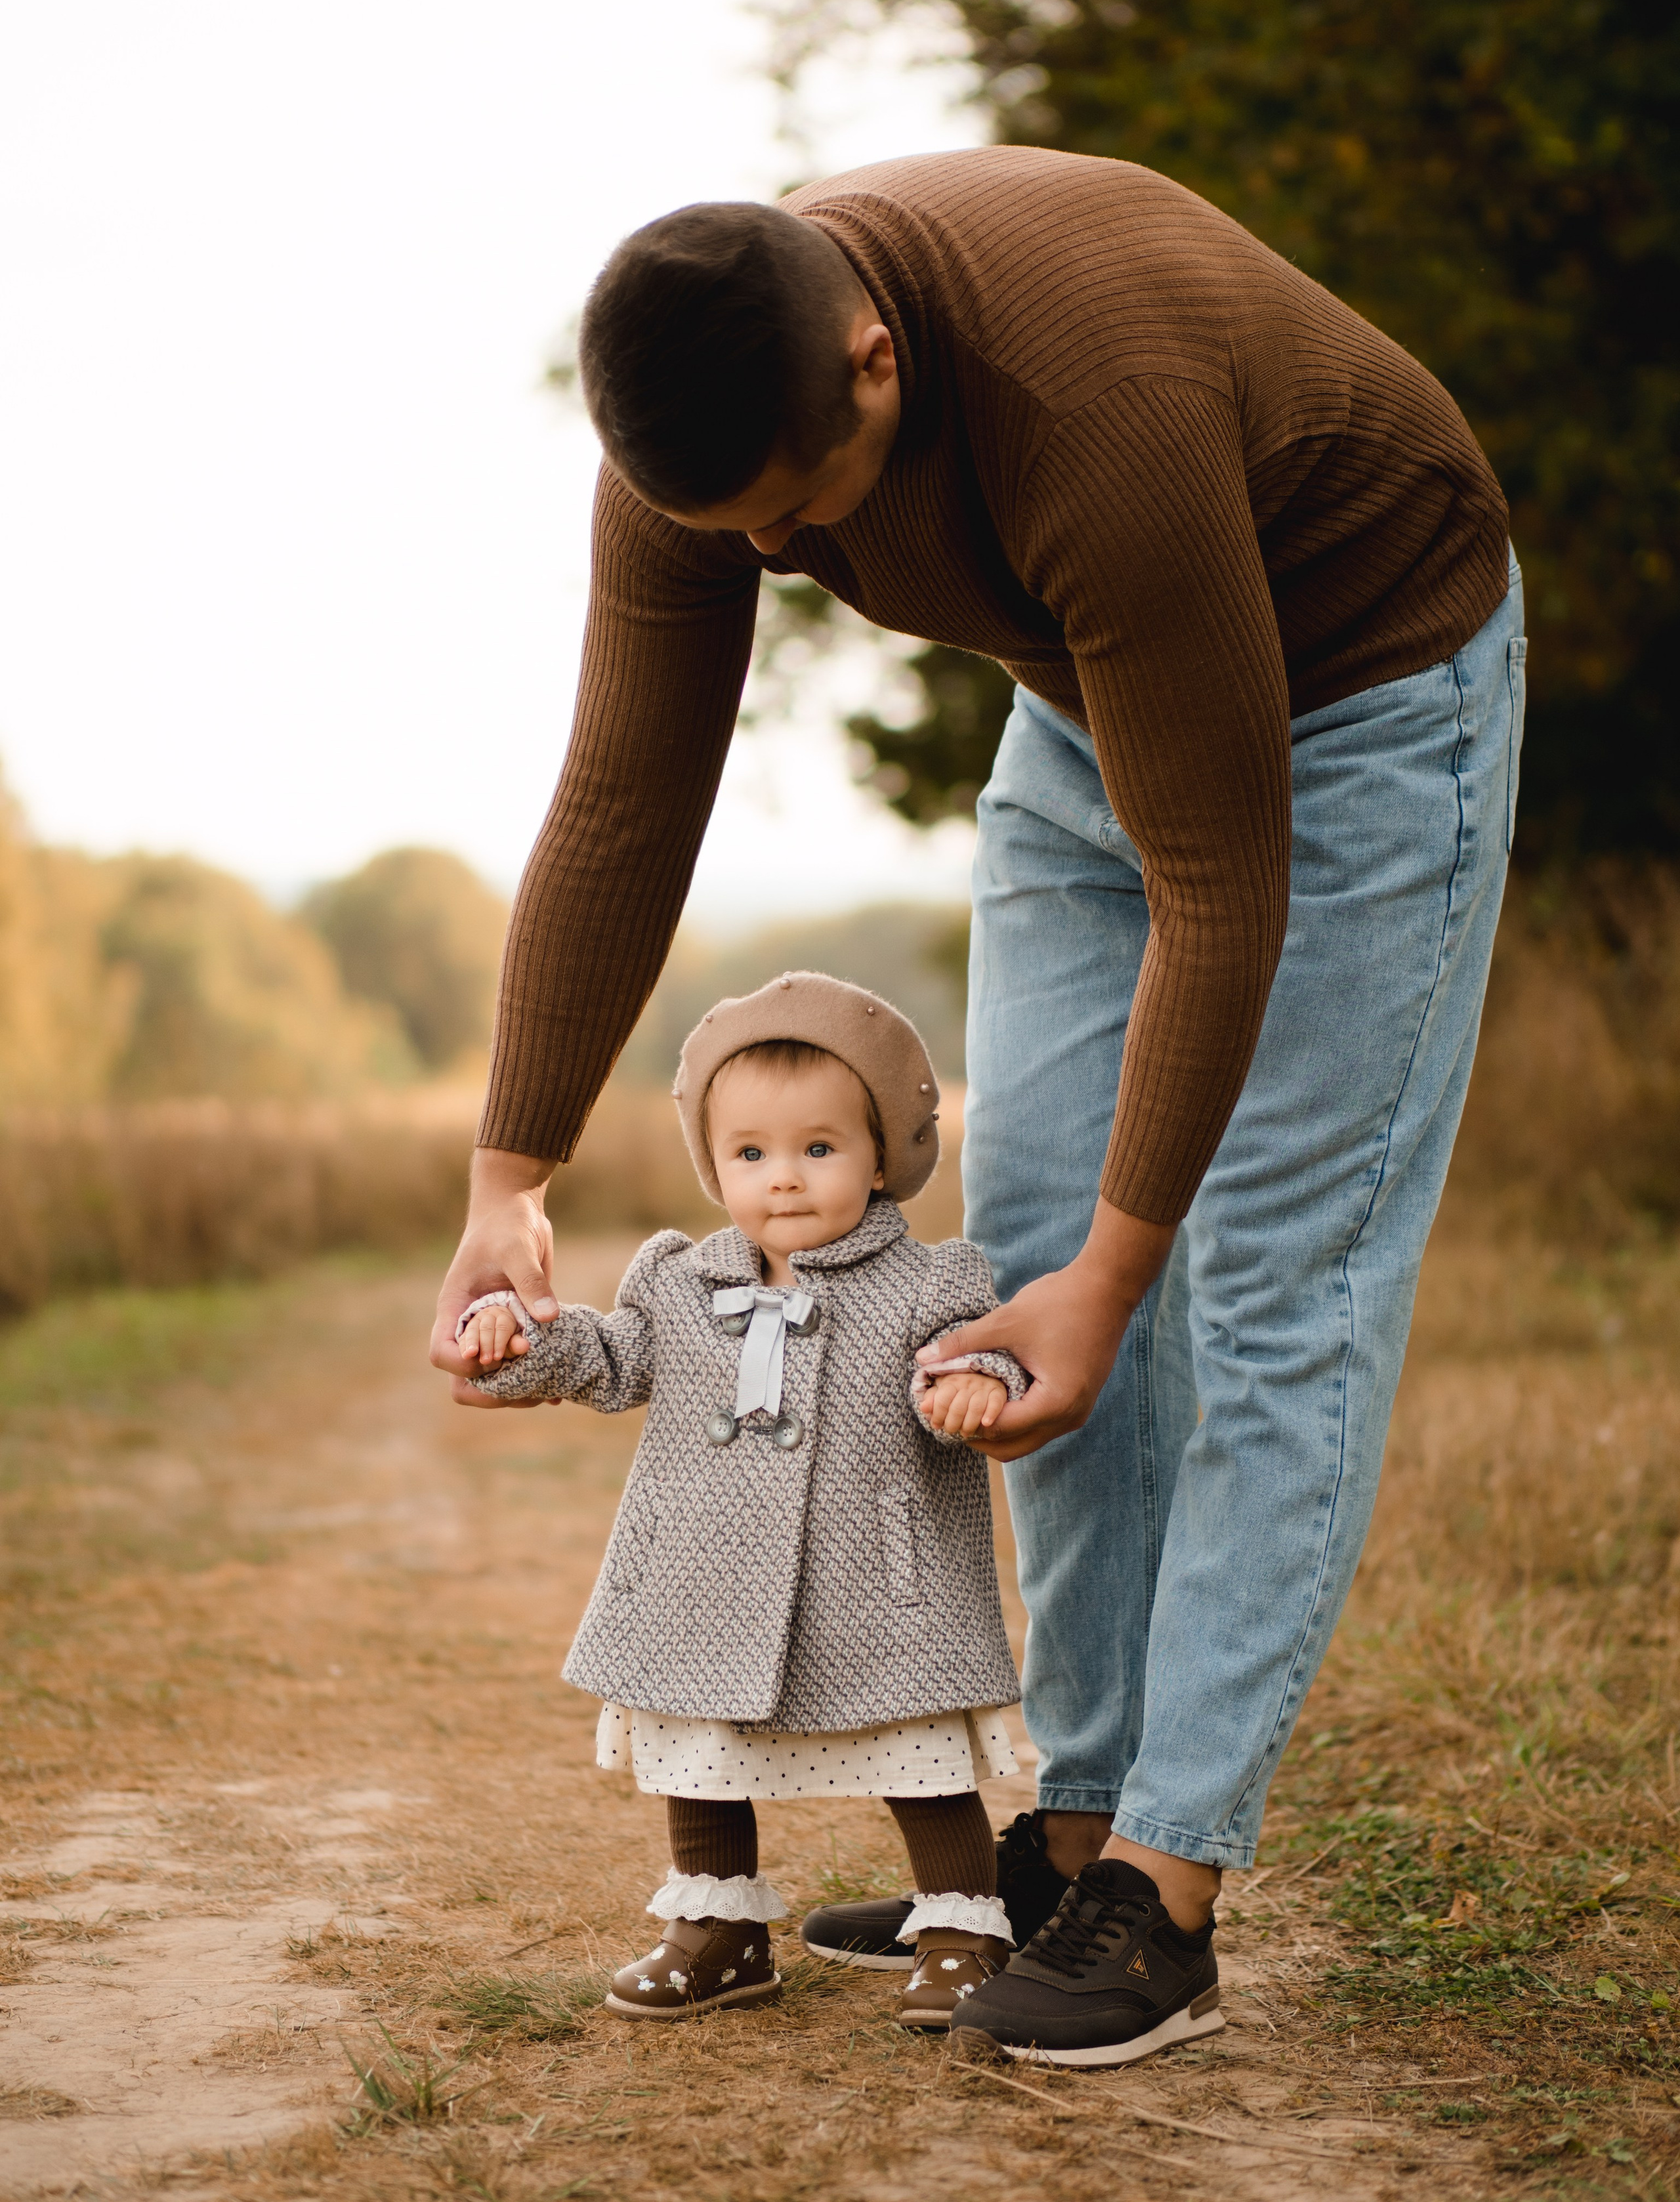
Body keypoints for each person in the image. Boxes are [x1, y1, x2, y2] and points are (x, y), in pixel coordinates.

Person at [432, 146, 1521, 2067]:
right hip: (1085, 706)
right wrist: (507, 1178)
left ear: (876, 359)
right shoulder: (697, 425)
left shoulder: (1090, 398)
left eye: (800, 510)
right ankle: (1074, 1834)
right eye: (738, 531)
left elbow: (1221, 883)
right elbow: (624, 796)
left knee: (1268, 1287)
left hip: (1363, 695)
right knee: (1013, 1275)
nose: (783, 556)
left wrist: (1124, 1265)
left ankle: (1166, 1892)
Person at [459, 970, 1090, 2035]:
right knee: (700, 1743)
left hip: (877, 1578)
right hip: (702, 1574)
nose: (783, 1177)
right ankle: (718, 1928)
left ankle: (960, 1926)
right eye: (750, 1153)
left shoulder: (928, 1283)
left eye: (819, 1147)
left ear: (880, 1156)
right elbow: (610, 1360)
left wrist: (977, 1386)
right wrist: (518, 1335)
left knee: (916, 1747)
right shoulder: (680, 1280)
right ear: (715, 1166)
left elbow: (971, 1362)